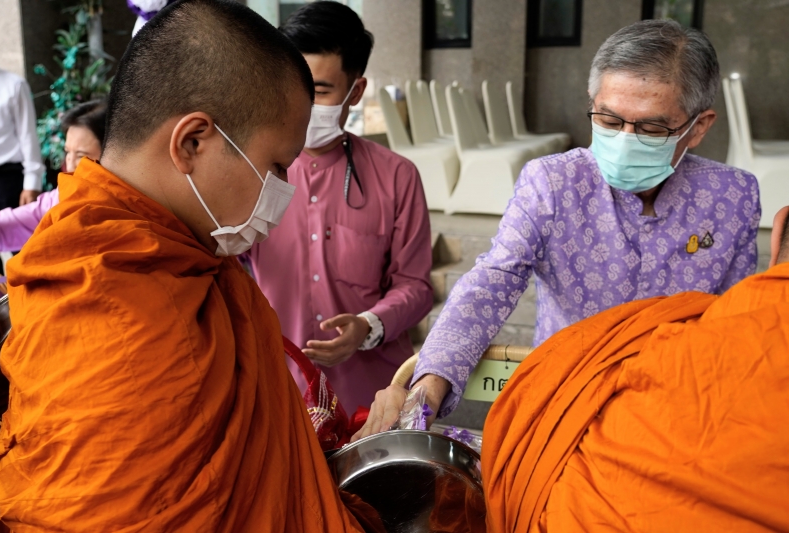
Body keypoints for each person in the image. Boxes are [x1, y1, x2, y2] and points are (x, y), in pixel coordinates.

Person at [0, 1, 375, 530]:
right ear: (192, 141)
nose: (283, 192)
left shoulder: (196, 262)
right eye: (277, 166)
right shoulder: (111, 302)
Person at [353, 19, 761, 438]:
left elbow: (735, 324)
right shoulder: (554, 183)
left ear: (699, 127)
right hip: (567, 405)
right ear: (592, 100)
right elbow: (492, 281)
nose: (624, 140)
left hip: (679, 413)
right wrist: (429, 382)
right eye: (608, 119)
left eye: (651, 128)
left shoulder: (731, 197)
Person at [481, 205, 789, 531]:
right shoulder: (549, 181)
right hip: (595, 366)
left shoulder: (730, 191)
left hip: (600, 363)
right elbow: (496, 273)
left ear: (778, 229)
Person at [246, 1, 432, 414]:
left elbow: (416, 287)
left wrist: (368, 325)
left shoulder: (396, 176)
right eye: (292, 86)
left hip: (369, 398)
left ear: (356, 90)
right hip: (280, 391)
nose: (302, 103)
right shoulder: (254, 170)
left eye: (321, 90)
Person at [0, 99, 106, 253]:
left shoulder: (134, 203)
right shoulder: (61, 198)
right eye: (68, 152)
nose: (70, 164)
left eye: (80, 155)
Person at [0, 25, 44, 271]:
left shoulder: (13, 85)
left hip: (7, 180)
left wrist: (31, 183)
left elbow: (28, 135)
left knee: (26, 249)